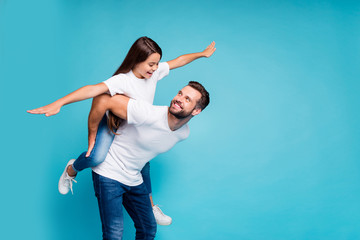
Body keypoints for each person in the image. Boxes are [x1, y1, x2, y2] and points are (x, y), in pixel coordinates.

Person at [27, 36, 216, 225]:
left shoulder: (154, 74)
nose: (155, 68)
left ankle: (149, 207)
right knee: (96, 156)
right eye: (151, 64)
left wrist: (202, 54)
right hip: (112, 124)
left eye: (157, 63)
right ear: (137, 60)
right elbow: (94, 91)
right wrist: (59, 103)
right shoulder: (123, 81)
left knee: (143, 162)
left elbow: (179, 61)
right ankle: (72, 168)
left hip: (133, 127)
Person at [89, 81, 210, 240]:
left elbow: (146, 151)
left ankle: (151, 207)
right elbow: (104, 100)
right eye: (179, 93)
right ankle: (73, 168)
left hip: (133, 177)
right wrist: (94, 140)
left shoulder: (183, 133)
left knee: (148, 228)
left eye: (187, 99)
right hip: (108, 173)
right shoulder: (148, 113)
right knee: (114, 234)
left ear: (197, 110)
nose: (178, 98)